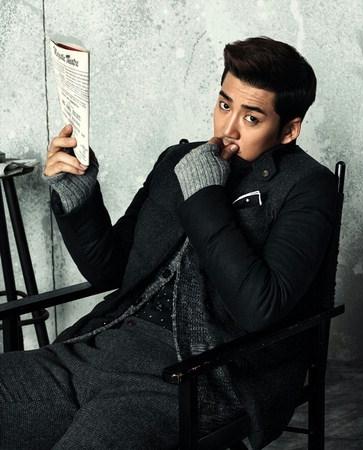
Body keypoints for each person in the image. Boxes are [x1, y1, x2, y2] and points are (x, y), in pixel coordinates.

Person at [0, 36, 338, 449]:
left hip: (194, 376)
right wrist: (79, 195)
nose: (228, 128)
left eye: (251, 118)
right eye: (224, 105)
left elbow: (259, 308)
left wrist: (204, 196)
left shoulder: (308, 187)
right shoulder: (178, 161)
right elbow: (111, 270)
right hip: (100, 345)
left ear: (288, 130)